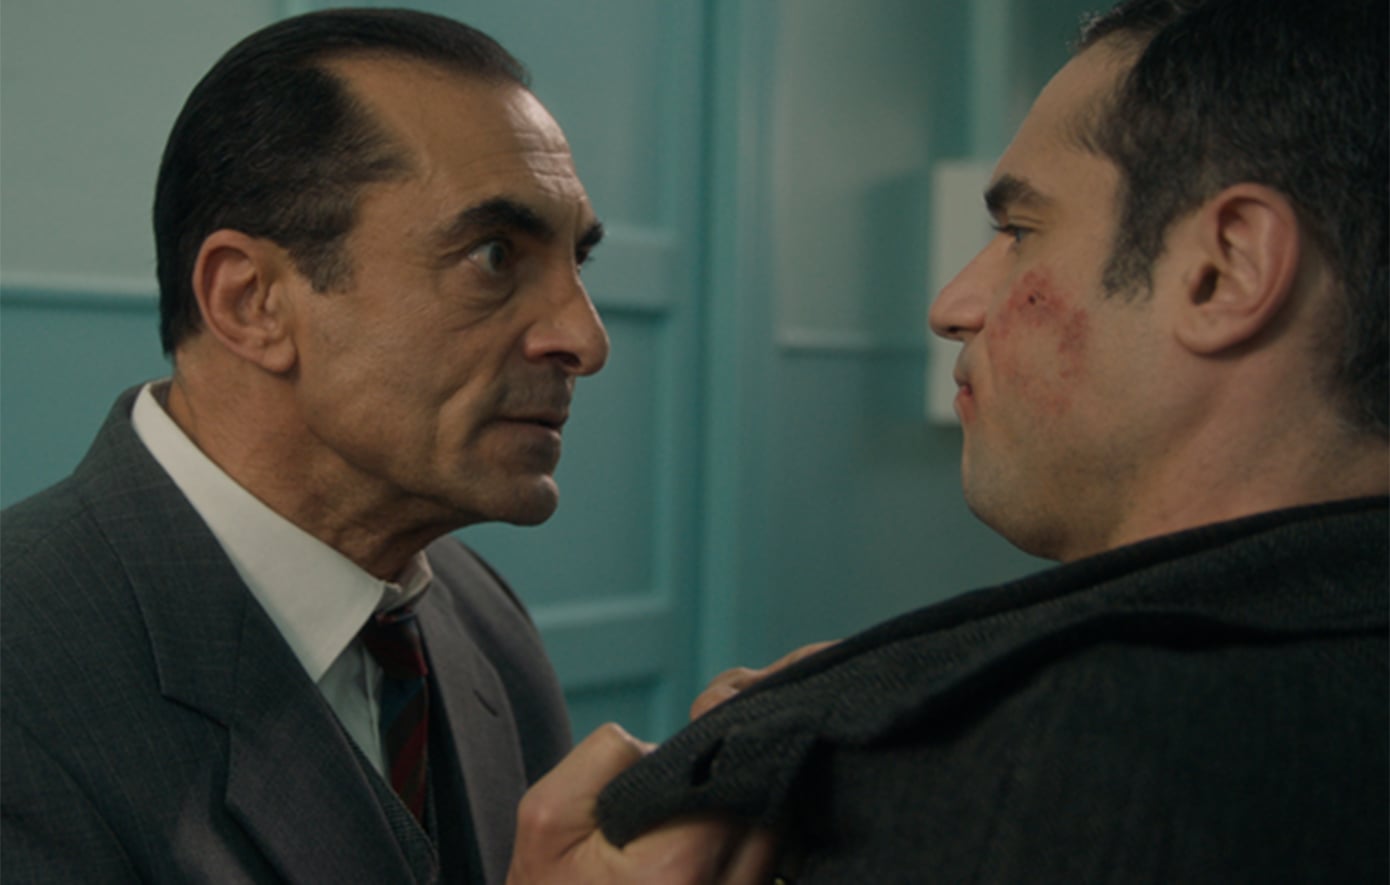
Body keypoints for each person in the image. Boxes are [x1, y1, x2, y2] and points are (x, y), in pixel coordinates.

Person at [509, 0, 1389, 881]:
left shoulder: (1046, 774)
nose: (951, 306)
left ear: (1223, 269)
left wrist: (936, 753)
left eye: (1019, 231)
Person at [1, 8, 611, 883]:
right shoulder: (20, 679)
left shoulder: (482, 616)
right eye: (493, 255)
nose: (584, 339)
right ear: (251, 302)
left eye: (578, 263)